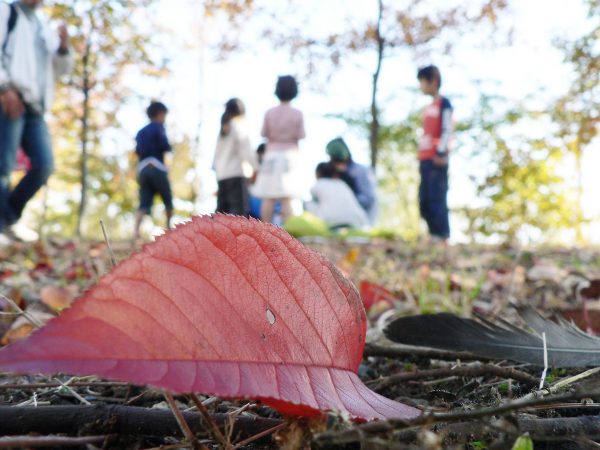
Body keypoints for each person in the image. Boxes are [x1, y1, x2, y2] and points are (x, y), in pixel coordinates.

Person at [0, 0, 72, 244]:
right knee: (3, 166)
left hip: (36, 108)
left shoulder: (44, 29)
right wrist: (4, 88)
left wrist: (63, 48)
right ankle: (5, 225)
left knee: (44, 165)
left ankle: (7, 218)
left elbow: (60, 70)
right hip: (10, 97)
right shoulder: (6, 12)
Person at [253, 75, 305, 224]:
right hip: (290, 156)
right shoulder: (298, 114)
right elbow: (301, 135)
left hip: (271, 155)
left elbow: (264, 133)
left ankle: (265, 232)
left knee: (268, 197)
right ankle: (288, 234)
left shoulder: (269, 112)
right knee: (287, 198)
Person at [416, 64, 452, 242]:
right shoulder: (428, 107)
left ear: (433, 81)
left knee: (437, 197)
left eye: (422, 82)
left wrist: (441, 152)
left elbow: (447, 129)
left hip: (437, 159)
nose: (420, 86)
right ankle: (433, 234)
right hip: (424, 159)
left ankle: (442, 236)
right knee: (424, 199)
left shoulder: (444, 104)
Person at [133, 101, 174, 239]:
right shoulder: (159, 127)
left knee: (144, 201)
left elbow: (137, 151)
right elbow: (165, 146)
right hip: (157, 167)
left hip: (143, 169)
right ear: (161, 114)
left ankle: (136, 232)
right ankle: (169, 231)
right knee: (167, 199)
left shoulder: (140, 132)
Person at [213, 98, 257, 216]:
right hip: (237, 175)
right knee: (239, 215)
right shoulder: (238, 126)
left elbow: (216, 156)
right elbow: (246, 151)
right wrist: (256, 168)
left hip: (222, 176)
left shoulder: (223, 130)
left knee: (221, 215)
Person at [326, 138, 377, 224]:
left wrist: (347, 200)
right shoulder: (334, 174)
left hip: (363, 222)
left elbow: (368, 200)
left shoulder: (361, 171)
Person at [305, 162, 369, 229]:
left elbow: (312, 204)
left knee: (308, 204)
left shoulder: (318, 185)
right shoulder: (342, 184)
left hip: (332, 221)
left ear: (318, 174)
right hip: (358, 222)